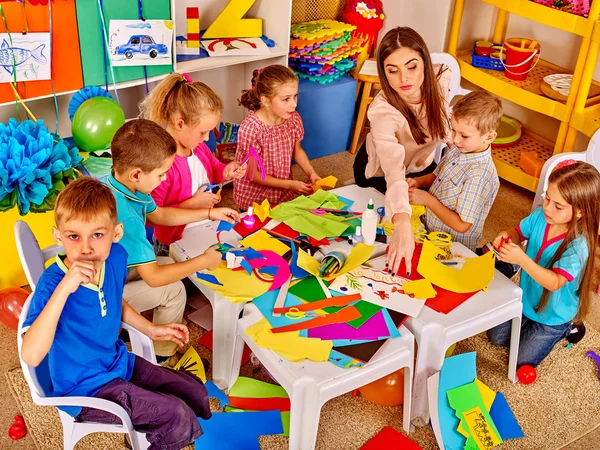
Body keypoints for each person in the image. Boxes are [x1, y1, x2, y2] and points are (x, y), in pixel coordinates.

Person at [20, 177, 212, 449]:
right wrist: (64, 288)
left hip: (118, 363)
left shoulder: (117, 256)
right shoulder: (51, 285)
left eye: (97, 235)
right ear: (58, 236)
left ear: (116, 233)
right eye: (74, 236)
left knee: (194, 391)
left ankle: (152, 431)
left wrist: (150, 328)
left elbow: (113, 300)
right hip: (83, 389)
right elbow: (30, 355)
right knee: (175, 413)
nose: (86, 248)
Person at [106, 119, 239, 364]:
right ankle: (162, 358)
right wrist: (203, 261)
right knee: (174, 290)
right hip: (102, 298)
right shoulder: (124, 215)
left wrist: (209, 213)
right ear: (137, 174)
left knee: (167, 261)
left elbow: (160, 214)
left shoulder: (123, 184)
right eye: (161, 174)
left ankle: (145, 333)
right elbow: (154, 277)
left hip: (111, 272)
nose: (163, 179)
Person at [352, 27, 452, 276]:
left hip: (420, 165)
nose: (403, 79)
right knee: (384, 230)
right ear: (384, 73)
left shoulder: (441, 77)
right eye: (392, 71)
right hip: (380, 170)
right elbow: (394, 173)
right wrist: (402, 220)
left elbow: (446, 121)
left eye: (411, 66)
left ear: (425, 63)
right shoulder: (382, 111)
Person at [487, 161, 600, 367]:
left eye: (558, 206)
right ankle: (529, 322)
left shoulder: (579, 245)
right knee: (496, 338)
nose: (547, 207)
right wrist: (507, 235)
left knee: (522, 360)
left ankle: (567, 328)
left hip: (553, 316)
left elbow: (555, 282)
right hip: (527, 299)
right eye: (547, 198)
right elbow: (518, 232)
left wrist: (521, 259)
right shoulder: (540, 215)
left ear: (580, 211)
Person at [140, 72, 245, 255]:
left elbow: (214, 168)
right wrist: (191, 204)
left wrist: (227, 171)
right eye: (203, 132)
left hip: (204, 226)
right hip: (172, 241)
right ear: (180, 124)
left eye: (210, 132)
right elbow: (152, 216)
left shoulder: (198, 148)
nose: (206, 139)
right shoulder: (161, 166)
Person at [408, 90, 502, 251]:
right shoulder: (459, 149)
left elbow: (462, 225)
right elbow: (437, 176)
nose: (455, 139)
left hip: (452, 248)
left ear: (489, 137)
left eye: (464, 136)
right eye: (453, 130)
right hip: (431, 231)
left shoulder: (478, 175)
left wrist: (428, 200)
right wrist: (418, 181)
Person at [234, 64, 322, 211]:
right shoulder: (250, 128)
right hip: (254, 199)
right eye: (286, 99)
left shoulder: (294, 119)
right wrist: (290, 184)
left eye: (295, 96)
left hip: (282, 193)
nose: (293, 104)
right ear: (266, 101)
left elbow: (297, 151)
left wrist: (311, 173)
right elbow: (253, 174)